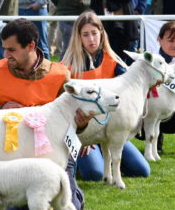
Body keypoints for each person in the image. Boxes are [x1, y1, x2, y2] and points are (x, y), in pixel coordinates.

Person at [0, 18, 92, 210]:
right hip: (8, 155)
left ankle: (71, 193)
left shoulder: (60, 75)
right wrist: (1, 109)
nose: (5, 55)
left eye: (11, 50)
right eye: (4, 49)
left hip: (53, 154)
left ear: (31, 46)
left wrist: (81, 125)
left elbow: (74, 120)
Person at [62, 11, 150, 181]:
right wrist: (78, 135)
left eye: (94, 33)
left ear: (102, 34)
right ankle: (76, 159)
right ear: (78, 37)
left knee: (142, 170)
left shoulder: (114, 62)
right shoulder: (67, 68)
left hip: (111, 129)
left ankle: (103, 158)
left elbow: (130, 91)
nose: (91, 39)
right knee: (93, 174)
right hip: (81, 131)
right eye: (85, 35)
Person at [152, 21, 175, 153]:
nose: (174, 45)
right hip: (149, 115)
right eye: (170, 40)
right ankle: (155, 146)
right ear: (159, 40)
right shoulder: (147, 61)